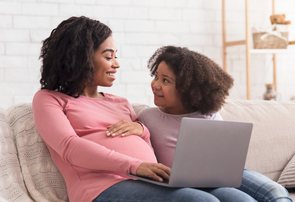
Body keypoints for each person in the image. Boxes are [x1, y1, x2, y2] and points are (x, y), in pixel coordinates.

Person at [32, 16, 254, 202]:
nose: (116, 64)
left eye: (116, 56)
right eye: (108, 56)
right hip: (101, 188)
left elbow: (146, 140)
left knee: (238, 198)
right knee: (201, 201)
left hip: (148, 179)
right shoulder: (49, 99)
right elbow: (70, 147)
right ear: (80, 57)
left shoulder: (120, 103)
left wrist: (141, 129)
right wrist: (135, 166)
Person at [130, 46, 292, 202]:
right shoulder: (148, 117)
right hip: (187, 185)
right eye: (156, 76)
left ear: (187, 89)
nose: (156, 85)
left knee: (276, 191)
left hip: (225, 174)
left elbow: (224, 157)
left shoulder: (209, 114)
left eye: (165, 81)